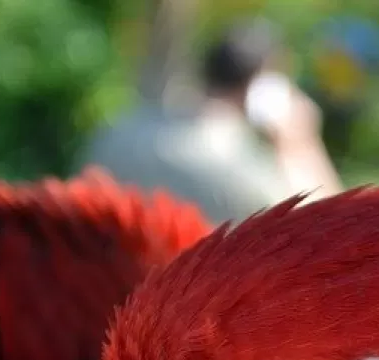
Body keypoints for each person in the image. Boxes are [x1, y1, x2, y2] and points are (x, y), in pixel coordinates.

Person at [80, 20, 342, 226]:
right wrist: (301, 143)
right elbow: (323, 230)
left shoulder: (118, 133)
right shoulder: (236, 165)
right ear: (263, 88)